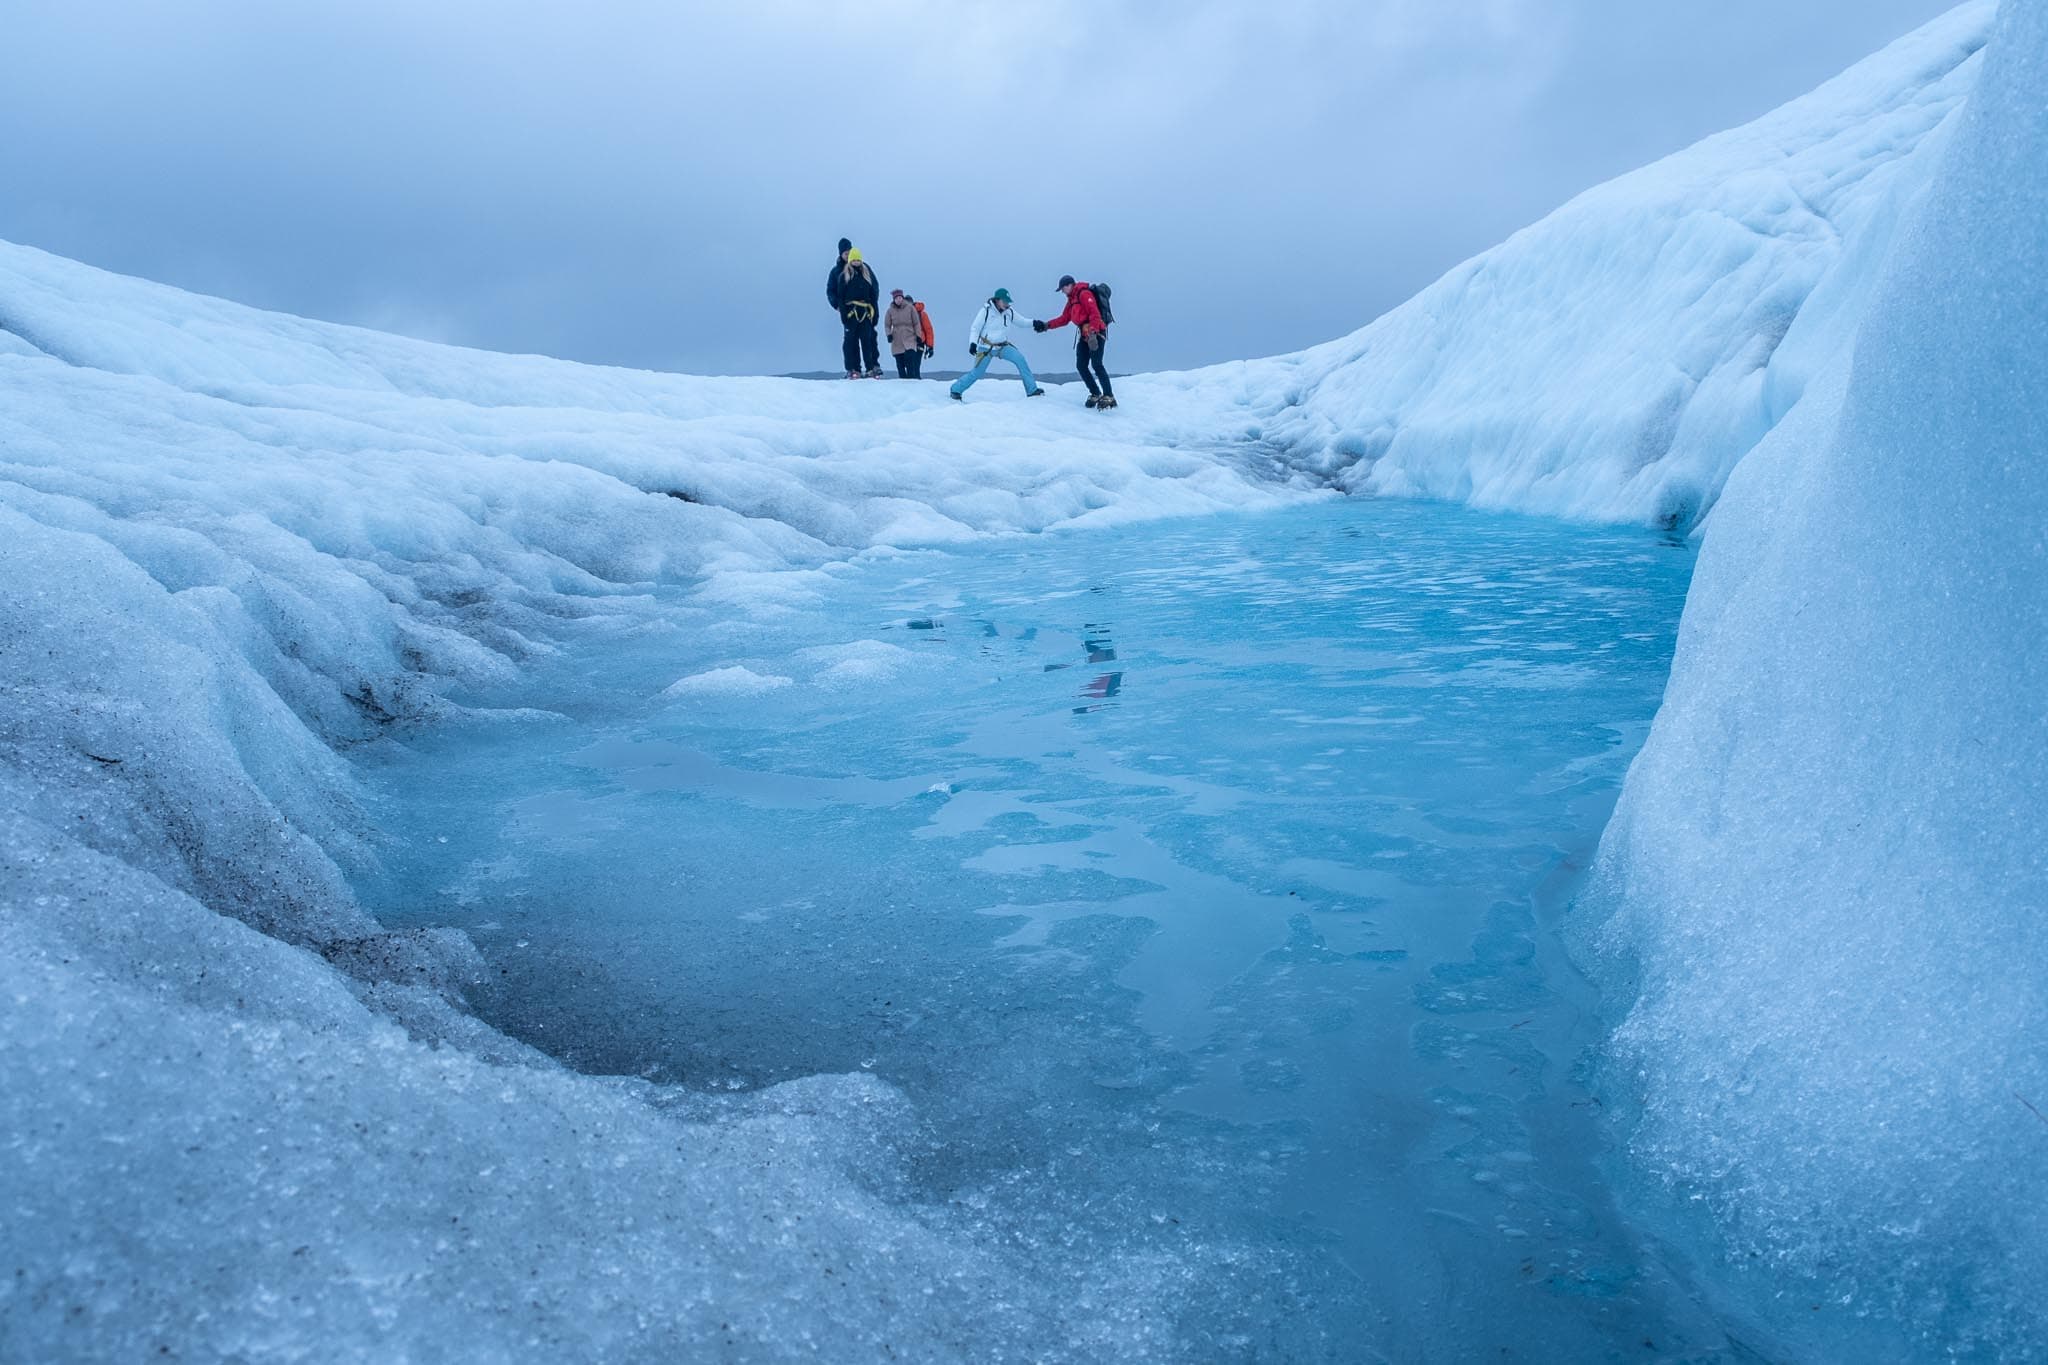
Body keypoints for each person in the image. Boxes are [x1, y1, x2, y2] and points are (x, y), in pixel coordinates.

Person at [1033, 275, 1114, 409]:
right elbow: (1064, 319)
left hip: (1096, 333)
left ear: (1070, 285)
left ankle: (1109, 396)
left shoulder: (1084, 294)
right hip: (1084, 334)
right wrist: (1046, 325)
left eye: (1063, 288)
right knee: (1081, 365)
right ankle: (1095, 393)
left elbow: (1095, 313)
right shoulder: (1072, 300)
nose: (1063, 292)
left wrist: (1093, 333)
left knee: (1097, 364)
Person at [950, 289, 1044, 401]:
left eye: (1008, 302)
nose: (1007, 304)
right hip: (986, 348)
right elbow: (975, 328)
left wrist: (1035, 322)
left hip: (1002, 346)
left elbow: (1022, 322)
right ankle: (955, 390)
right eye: (1005, 301)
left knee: (1020, 360)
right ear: (997, 300)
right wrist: (973, 343)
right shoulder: (986, 311)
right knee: (977, 373)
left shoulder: (1009, 312)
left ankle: (1032, 390)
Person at [832, 246, 883, 379]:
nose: (856, 262)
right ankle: (853, 368)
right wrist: (843, 314)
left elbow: (873, 295)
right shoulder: (844, 276)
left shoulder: (866, 274)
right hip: (851, 313)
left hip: (865, 312)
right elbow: (840, 297)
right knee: (850, 342)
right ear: (850, 261)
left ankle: (871, 368)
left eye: (858, 260)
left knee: (867, 341)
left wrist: (875, 313)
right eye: (853, 260)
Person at [885, 288, 924, 379]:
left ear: (902, 298)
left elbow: (916, 323)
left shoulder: (910, 308)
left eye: (900, 297)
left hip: (909, 336)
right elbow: (887, 325)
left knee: (910, 359)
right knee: (900, 363)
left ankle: (911, 380)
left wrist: (918, 335)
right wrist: (889, 334)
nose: (898, 300)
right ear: (894, 299)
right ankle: (902, 382)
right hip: (897, 338)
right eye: (896, 298)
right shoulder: (890, 311)